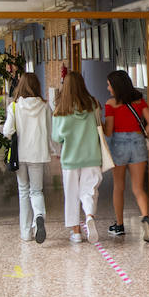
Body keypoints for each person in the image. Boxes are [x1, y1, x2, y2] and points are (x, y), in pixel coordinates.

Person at [50, 71, 106, 243]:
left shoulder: (61, 109)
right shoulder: (94, 104)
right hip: (92, 156)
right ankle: (89, 216)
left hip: (71, 159)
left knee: (71, 194)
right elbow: (100, 126)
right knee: (89, 191)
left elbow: (56, 137)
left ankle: (75, 233)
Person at [101, 69, 149, 242]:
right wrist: (140, 135)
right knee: (138, 188)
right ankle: (145, 218)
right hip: (138, 144)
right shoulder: (139, 101)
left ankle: (119, 225)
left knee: (119, 187)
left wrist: (100, 126)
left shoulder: (111, 104)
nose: (108, 88)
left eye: (109, 85)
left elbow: (109, 131)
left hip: (119, 146)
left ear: (116, 86)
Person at [2, 72, 53, 243]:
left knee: (23, 191)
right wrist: (54, 150)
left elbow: (7, 131)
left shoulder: (14, 106)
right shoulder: (45, 107)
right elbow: (51, 131)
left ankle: (26, 233)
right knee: (36, 191)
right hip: (38, 154)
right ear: (37, 86)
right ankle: (39, 215)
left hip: (20, 155)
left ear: (20, 86)